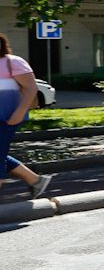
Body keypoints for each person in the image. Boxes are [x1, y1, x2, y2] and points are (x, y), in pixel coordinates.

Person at [0, 37, 49, 199]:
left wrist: (19, 113)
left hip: (7, 117)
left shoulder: (12, 62)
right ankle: (35, 181)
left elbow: (31, 88)